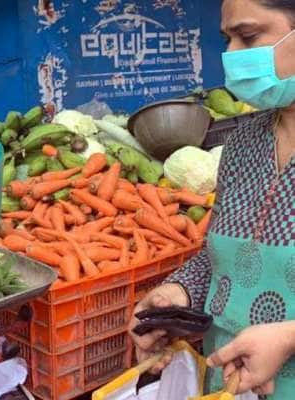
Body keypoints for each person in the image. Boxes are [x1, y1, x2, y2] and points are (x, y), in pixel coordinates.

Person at [130, 0, 295, 397]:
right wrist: (179, 293)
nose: (231, 55)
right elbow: (223, 254)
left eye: (249, 36)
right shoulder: (242, 143)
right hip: (228, 381)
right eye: (228, 39)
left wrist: (289, 337)